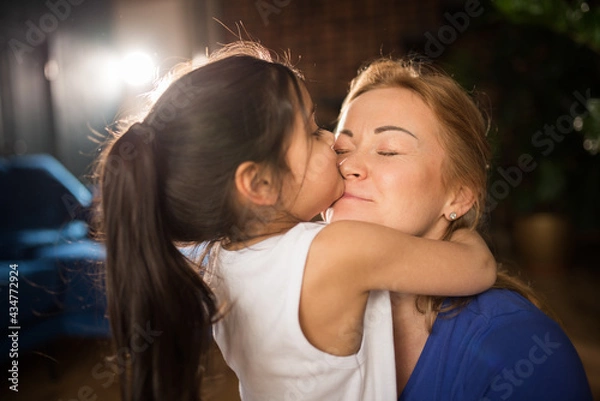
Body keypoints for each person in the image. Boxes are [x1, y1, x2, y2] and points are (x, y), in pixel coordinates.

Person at [93, 42, 497, 401]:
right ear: (261, 183)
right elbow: (478, 269)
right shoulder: (338, 251)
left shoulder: (219, 260)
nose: (335, 145)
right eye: (314, 131)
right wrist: (462, 226)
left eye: (387, 151)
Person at [328, 57, 593, 401]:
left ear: (459, 195)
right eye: (340, 149)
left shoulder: (519, 349)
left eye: (388, 151)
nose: (348, 165)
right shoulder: (304, 297)